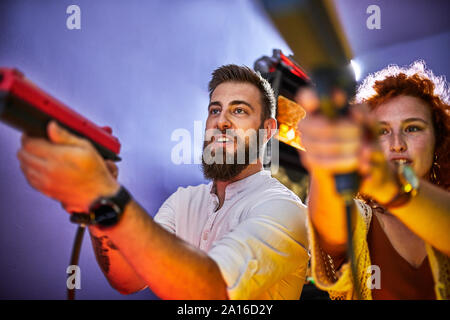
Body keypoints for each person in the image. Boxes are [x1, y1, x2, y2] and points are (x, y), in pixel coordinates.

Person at [17, 64, 309, 299]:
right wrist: (96, 205)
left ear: (268, 130)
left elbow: (211, 291)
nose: (221, 121)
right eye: (214, 110)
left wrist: (107, 194)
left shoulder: (283, 208)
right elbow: (129, 280)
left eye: (239, 110)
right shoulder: (185, 200)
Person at [298, 60, 450, 300]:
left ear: (438, 140)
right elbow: (331, 233)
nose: (397, 143)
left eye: (412, 128)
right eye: (382, 131)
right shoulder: (361, 220)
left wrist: (390, 185)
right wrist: (328, 163)